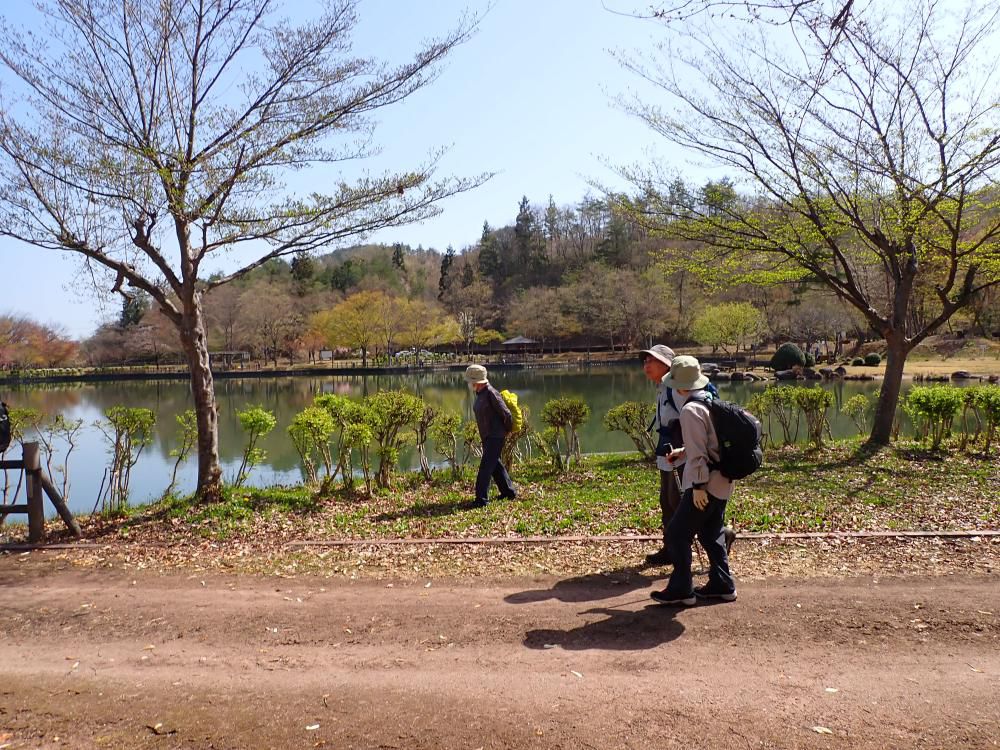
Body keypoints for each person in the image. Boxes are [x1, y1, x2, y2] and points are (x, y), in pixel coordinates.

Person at [650, 355, 739, 606]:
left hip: (705, 484)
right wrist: (683, 451)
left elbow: (700, 454)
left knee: (677, 534)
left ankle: (681, 589)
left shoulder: (690, 410)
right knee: (711, 534)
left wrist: (698, 487)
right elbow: (708, 443)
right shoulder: (709, 400)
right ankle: (722, 584)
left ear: (679, 386)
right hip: (723, 481)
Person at [465, 364, 516, 508]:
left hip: (495, 436)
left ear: (477, 382)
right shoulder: (481, 394)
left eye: (470, 381)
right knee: (495, 466)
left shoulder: (491, 393)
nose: (469, 384)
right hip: (488, 436)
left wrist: (507, 430)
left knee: (485, 468)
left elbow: (506, 414)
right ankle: (508, 492)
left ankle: (481, 500)